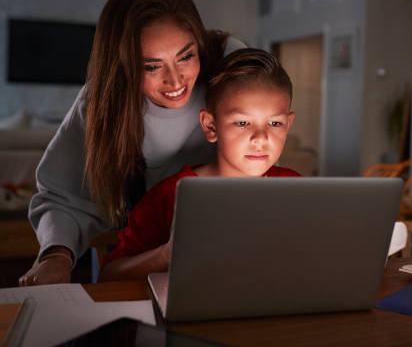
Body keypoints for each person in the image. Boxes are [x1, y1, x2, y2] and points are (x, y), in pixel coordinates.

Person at [19, 0, 245, 286]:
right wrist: (55, 258)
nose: (176, 81)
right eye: (152, 66)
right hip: (135, 260)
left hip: (227, 252)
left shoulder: (230, 63)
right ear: (123, 64)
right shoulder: (100, 101)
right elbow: (61, 196)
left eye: (186, 56)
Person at [98, 48, 300, 281]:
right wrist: (167, 254)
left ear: (288, 124)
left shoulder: (294, 187)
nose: (261, 138)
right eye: (242, 122)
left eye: (275, 123)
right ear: (210, 126)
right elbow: (109, 276)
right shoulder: (170, 194)